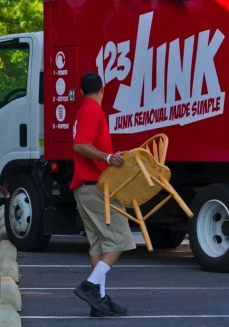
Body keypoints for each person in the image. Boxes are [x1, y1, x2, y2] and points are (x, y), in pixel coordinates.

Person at [70, 72, 135, 317]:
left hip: (85, 187)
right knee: (120, 240)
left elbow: (81, 144)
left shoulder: (83, 110)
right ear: (103, 89)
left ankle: (99, 302)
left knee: (99, 246)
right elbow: (79, 145)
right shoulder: (92, 111)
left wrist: (108, 156)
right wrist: (108, 157)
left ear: (80, 90)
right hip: (96, 187)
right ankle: (89, 287)